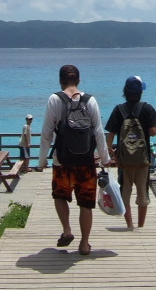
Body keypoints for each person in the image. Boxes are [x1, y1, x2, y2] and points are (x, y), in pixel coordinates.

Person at [38, 64, 111, 256]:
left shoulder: (55, 99)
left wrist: (41, 160)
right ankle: (84, 244)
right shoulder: (90, 100)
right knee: (86, 203)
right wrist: (105, 158)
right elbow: (98, 132)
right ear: (78, 80)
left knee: (60, 196)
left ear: (60, 80)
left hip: (62, 160)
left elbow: (46, 132)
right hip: (86, 160)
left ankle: (67, 230)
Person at [105, 76, 156, 229]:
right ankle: (140, 226)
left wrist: (111, 154)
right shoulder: (147, 108)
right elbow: (153, 132)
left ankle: (129, 225)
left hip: (124, 162)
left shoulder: (119, 109)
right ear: (141, 92)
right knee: (143, 194)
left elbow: (110, 134)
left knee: (125, 194)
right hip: (143, 160)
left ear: (125, 91)